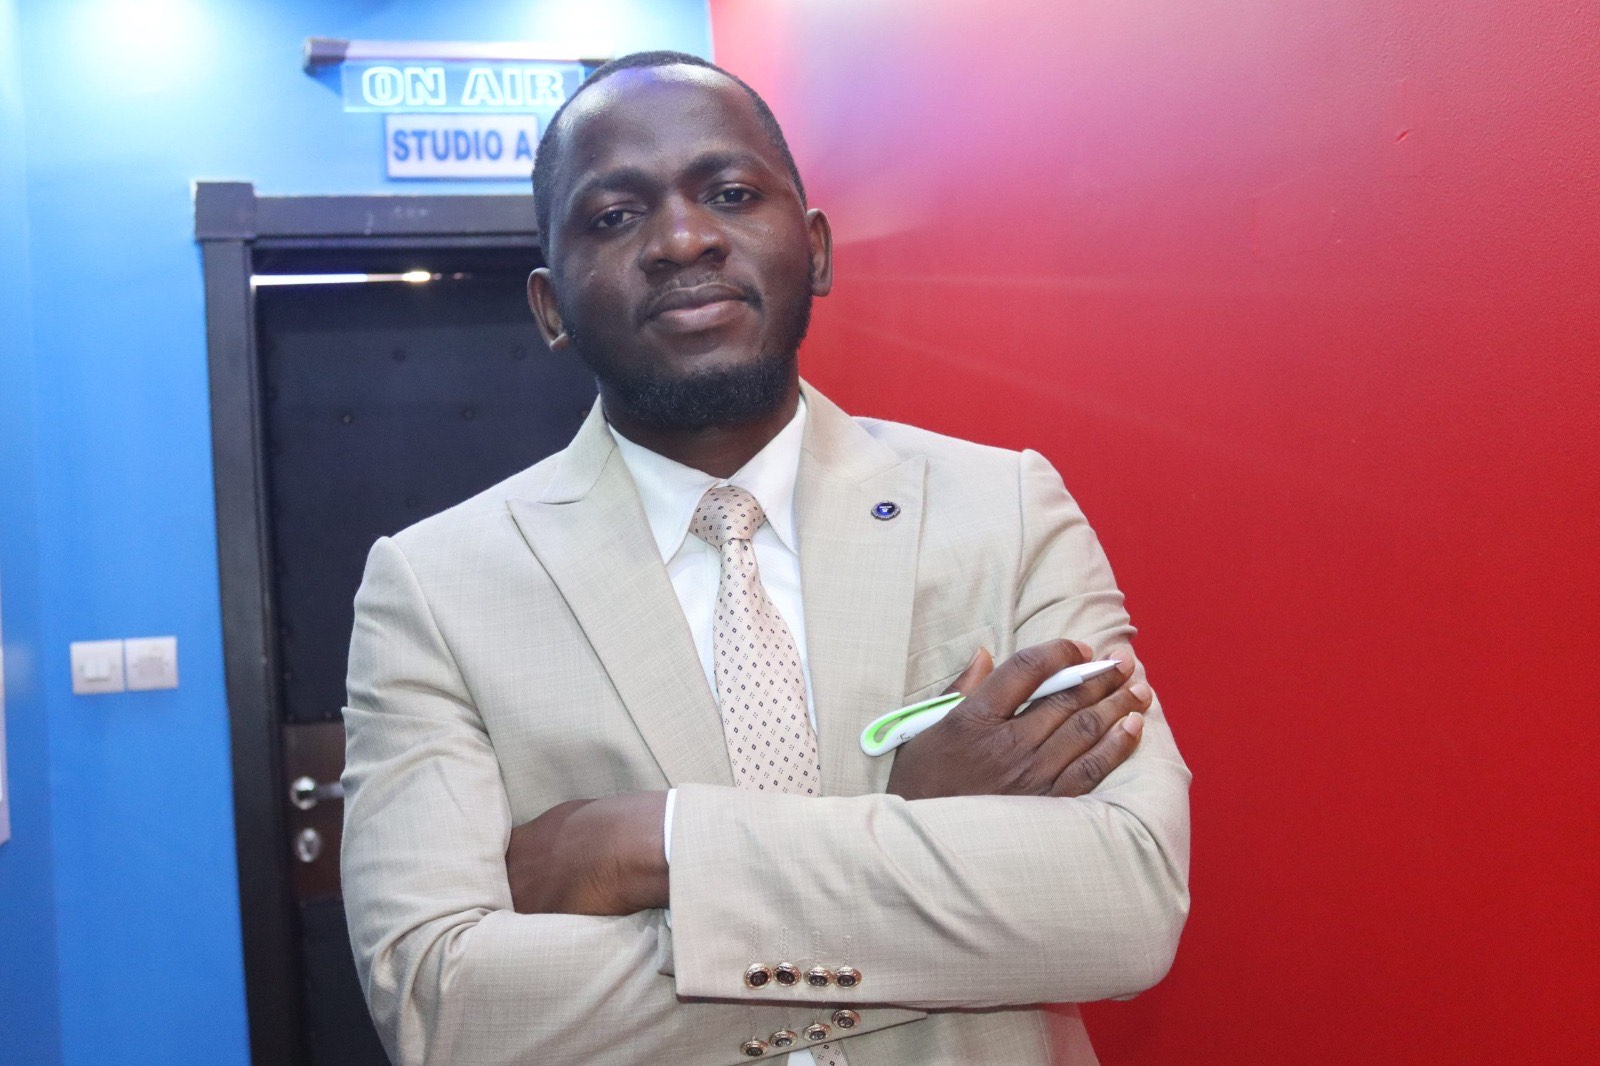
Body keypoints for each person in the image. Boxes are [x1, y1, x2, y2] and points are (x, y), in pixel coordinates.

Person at [341, 50, 1190, 1066]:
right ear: (549, 305)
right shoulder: (434, 590)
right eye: (615, 215)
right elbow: (445, 1007)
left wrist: (651, 845)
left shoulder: (1003, 510)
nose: (682, 239)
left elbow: (1125, 904)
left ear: (816, 250)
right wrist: (907, 830)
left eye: (732, 194)